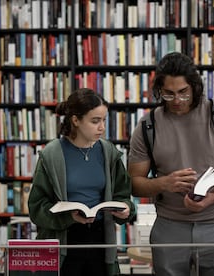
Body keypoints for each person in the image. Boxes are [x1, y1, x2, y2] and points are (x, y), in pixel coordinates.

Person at [127, 52, 214, 276]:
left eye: (183, 92)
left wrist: (213, 197)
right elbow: (134, 183)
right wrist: (164, 183)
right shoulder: (147, 126)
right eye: (169, 94)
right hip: (169, 226)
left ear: (194, 87)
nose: (177, 101)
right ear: (159, 91)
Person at [28, 88, 136, 276]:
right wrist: (69, 217)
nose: (102, 127)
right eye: (95, 121)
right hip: (65, 239)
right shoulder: (51, 154)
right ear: (75, 120)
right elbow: (36, 208)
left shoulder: (108, 152)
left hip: (100, 240)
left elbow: (123, 195)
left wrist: (126, 209)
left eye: (104, 120)